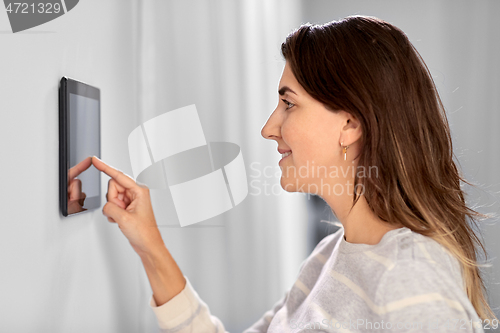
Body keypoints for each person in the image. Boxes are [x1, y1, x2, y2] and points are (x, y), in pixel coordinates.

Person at [91, 15, 498, 332]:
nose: (269, 127)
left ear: (350, 125)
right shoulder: (328, 258)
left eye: (289, 104)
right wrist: (150, 245)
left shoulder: (409, 274)